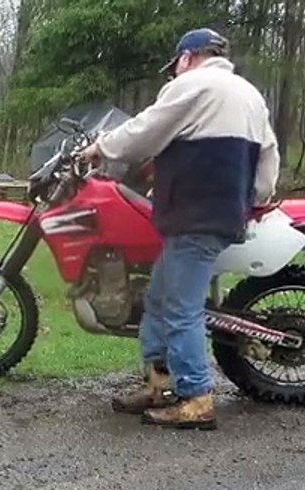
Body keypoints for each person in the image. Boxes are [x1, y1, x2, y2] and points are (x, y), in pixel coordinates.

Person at [78, 27, 279, 430]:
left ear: (187, 58)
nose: (174, 71)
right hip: (217, 215)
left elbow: (146, 130)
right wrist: (253, 198)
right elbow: (268, 159)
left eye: (176, 64)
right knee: (159, 299)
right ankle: (160, 384)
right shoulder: (249, 95)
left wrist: (102, 147)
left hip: (195, 216)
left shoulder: (193, 85)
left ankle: (197, 397)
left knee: (182, 308)